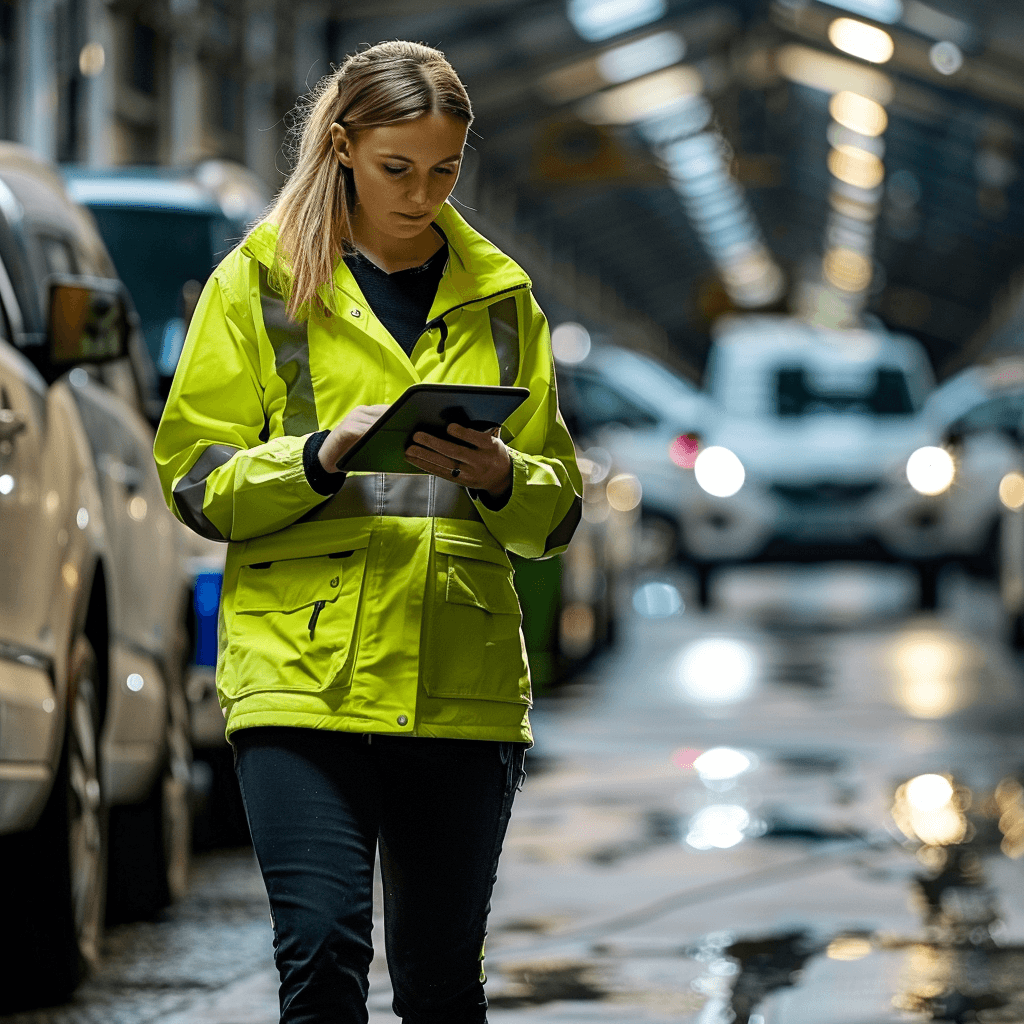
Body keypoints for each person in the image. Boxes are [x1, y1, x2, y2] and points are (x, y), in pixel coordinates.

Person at [153, 40, 582, 1024]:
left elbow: (555, 516)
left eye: (445, 170)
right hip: (301, 677)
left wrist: (505, 476)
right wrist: (316, 455)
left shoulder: (506, 301)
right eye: (398, 168)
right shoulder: (259, 285)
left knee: (439, 985)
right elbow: (194, 480)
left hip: (459, 686)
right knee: (321, 952)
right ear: (342, 148)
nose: (422, 193)